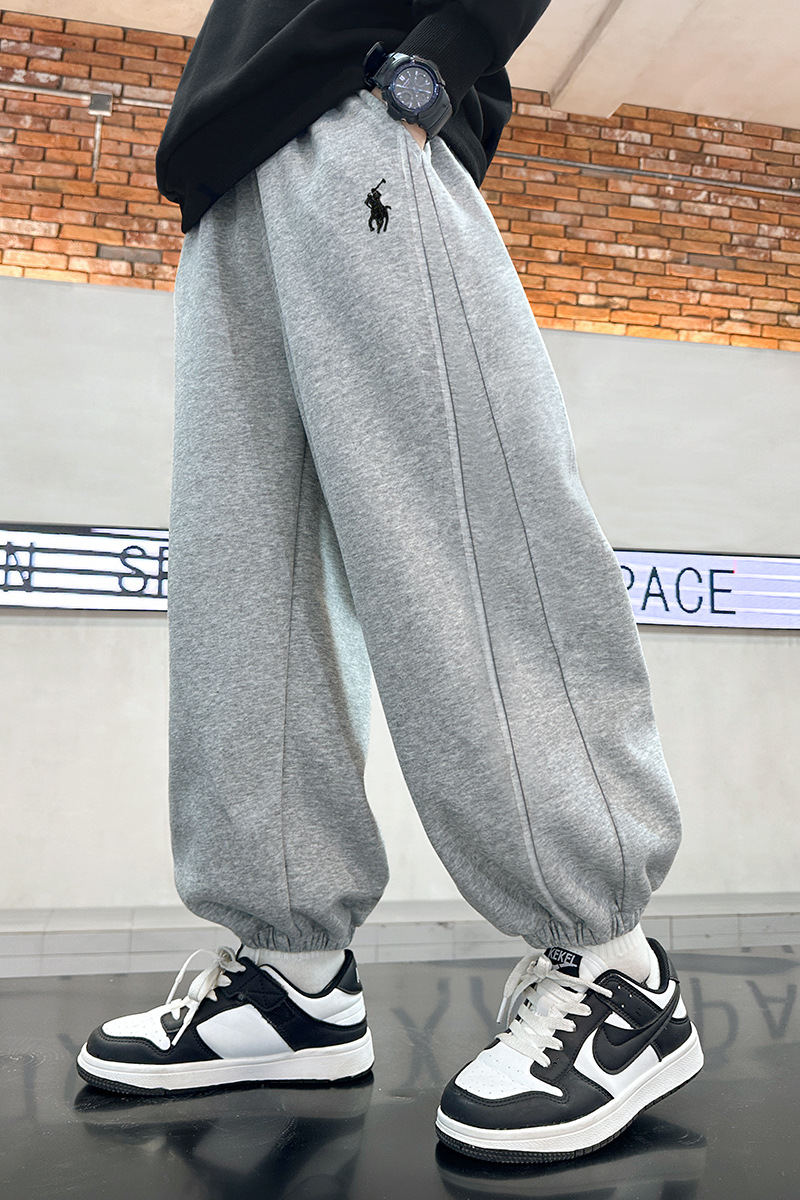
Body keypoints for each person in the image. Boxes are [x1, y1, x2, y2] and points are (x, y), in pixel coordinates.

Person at [75, 0, 704, 1163]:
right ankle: (291, 982)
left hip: (358, 103)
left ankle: (615, 972)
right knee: (245, 594)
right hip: (224, 165)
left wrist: (431, 69)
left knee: (459, 536)